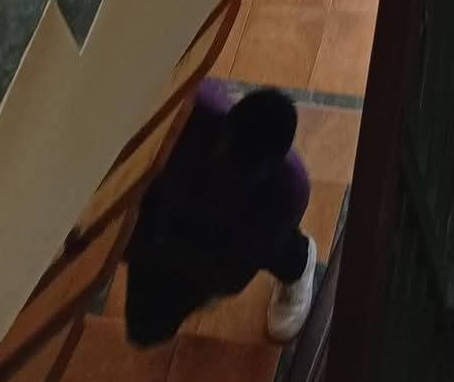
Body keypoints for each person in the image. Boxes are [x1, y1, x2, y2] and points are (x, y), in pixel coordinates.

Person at [123, 81, 317, 347]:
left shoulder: (288, 191)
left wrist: (196, 276)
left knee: (272, 245)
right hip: (177, 212)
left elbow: (234, 273)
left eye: (243, 168)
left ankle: (299, 261)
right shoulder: (187, 109)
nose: (229, 169)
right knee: (145, 325)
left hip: (227, 233)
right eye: (227, 151)